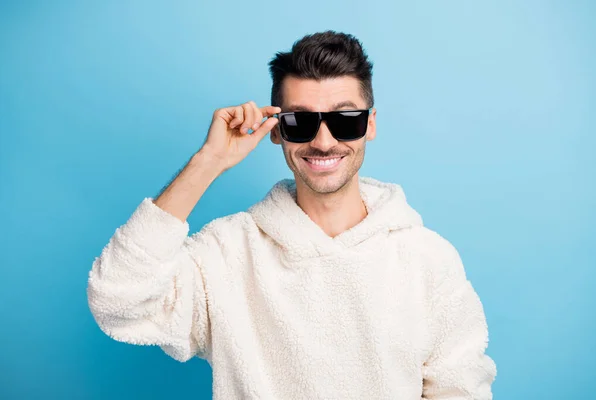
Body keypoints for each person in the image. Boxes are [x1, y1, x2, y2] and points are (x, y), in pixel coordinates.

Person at [87, 30, 496, 399]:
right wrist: (208, 162)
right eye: (301, 121)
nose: (323, 140)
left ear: (370, 125)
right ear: (277, 130)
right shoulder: (228, 253)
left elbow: (461, 390)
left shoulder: (427, 258)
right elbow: (118, 299)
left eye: (345, 119)